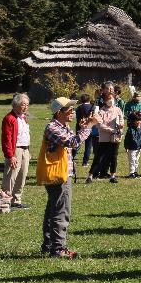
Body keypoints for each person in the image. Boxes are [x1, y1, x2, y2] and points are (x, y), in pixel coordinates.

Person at [40, 97, 95, 258]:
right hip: (59, 175)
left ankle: (49, 244)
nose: (73, 111)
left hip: (62, 173)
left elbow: (75, 143)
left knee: (53, 209)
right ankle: (59, 249)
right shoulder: (52, 128)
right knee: (61, 211)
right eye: (69, 109)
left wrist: (83, 127)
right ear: (59, 112)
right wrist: (90, 126)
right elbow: (73, 142)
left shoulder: (64, 126)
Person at [0, 93, 31, 209]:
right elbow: (6, 139)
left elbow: (25, 135)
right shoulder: (9, 118)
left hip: (25, 149)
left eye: (27, 105)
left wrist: (28, 151)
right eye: (23, 104)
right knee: (11, 176)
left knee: (22, 175)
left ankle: (16, 200)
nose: (26, 107)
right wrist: (10, 155)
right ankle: (5, 200)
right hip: (15, 150)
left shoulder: (23, 118)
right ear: (16, 104)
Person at [87, 88, 124, 184]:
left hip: (115, 138)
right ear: (105, 100)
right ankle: (90, 176)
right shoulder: (101, 111)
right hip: (104, 138)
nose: (111, 100)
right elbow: (99, 125)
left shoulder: (118, 109)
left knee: (113, 157)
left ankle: (112, 175)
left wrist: (120, 125)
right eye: (109, 99)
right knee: (98, 157)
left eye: (112, 98)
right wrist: (111, 130)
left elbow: (121, 120)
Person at [122, 90, 141, 179]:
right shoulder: (129, 104)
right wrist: (132, 114)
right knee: (132, 157)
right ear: (134, 97)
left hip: (140, 123)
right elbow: (125, 113)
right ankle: (132, 172)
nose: (138, 99)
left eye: (140, 98)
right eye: (137, 98)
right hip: (132, 123)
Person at [75, 96, 98, 165]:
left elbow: (78, 118)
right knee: (88, 146)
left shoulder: (78, 108)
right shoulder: (93, 107)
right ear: (89, 99)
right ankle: (85, 162)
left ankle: (72, 157)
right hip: (90, 127)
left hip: (80, 127)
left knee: (76, 144)